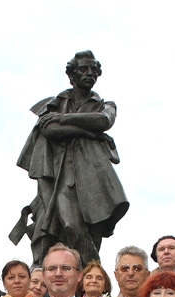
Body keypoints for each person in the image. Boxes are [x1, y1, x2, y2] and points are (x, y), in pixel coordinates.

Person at [10, 50, 129, 266]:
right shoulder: (54, 103)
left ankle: (91, 287)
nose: (90, 74)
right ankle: (92, 275)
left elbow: (103, 121)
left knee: (93, 233)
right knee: (70, 225)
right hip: (60, 176)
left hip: (94, 179)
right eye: (84, 69)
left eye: (94, 70)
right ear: (72, 75)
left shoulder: (106, 104)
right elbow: (50, 130)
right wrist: (86, 130)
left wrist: (65, 119)